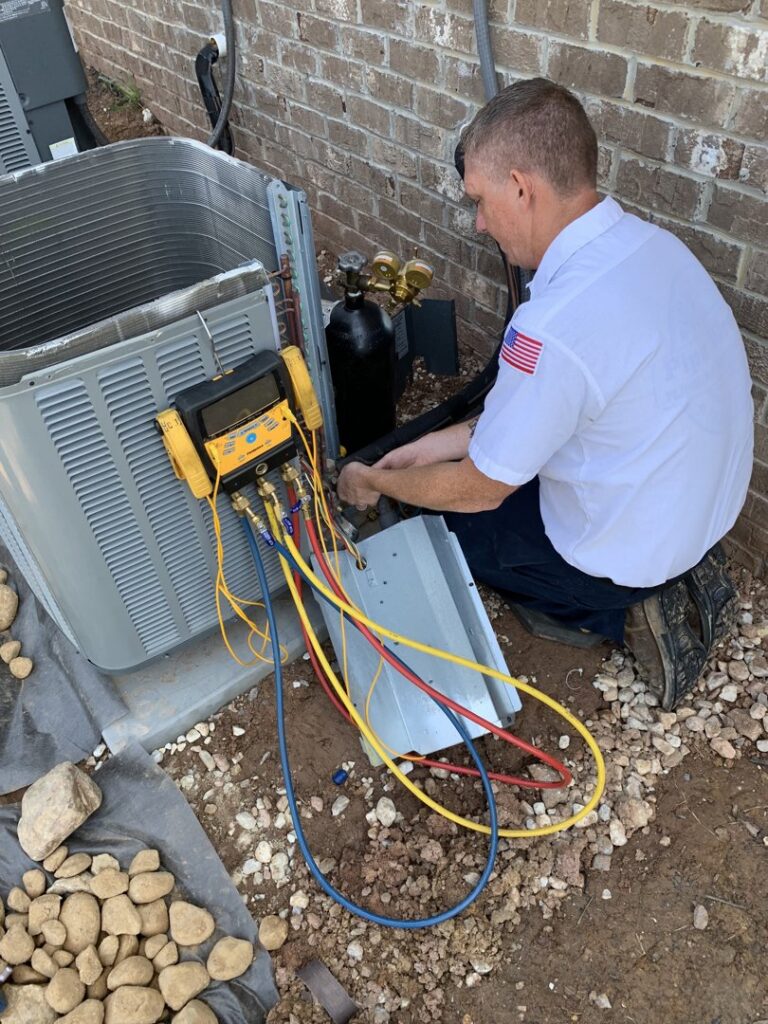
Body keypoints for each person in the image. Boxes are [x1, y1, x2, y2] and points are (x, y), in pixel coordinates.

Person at [336, 78, 754, 709]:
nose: (479, 222)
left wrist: (376, 483)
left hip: (631, 552)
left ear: (522, 187)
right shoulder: (656, 248)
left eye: (480, 199)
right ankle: (690, 567)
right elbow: (555, 407)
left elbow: (481, 488)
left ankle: (625, 613)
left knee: (458, 532)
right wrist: (430, 446)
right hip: (705, 508)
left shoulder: (553, 325)